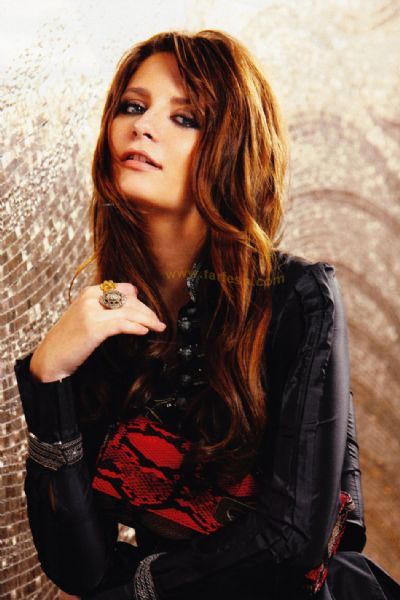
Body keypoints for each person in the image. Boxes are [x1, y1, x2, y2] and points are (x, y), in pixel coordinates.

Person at [14, 29, 400, 600]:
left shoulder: (296, 297)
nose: (143, 127)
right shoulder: (105, 319)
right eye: (133, 106)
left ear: (231, 148)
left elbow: (292, 539)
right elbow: (79, 567)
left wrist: (140, 587)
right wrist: (49, 376)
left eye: (184, 117)